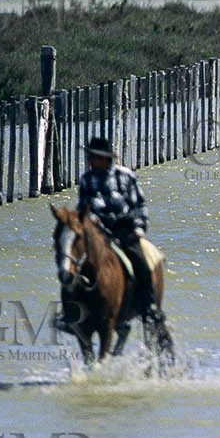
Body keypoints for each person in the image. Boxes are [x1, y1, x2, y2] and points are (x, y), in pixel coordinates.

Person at [73, 136, 162, 324]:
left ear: (105, 158)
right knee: (73, 262)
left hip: (124, 230)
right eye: (90, 157)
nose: (90, 161)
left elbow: (140, 204)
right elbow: (82, 208)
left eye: (94, 157)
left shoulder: (126, 176)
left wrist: (139, 228)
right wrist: (89, 221)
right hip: (97, 233)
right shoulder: (86, 179)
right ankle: (71, 310)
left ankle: (149, 304)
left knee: (140, 261)